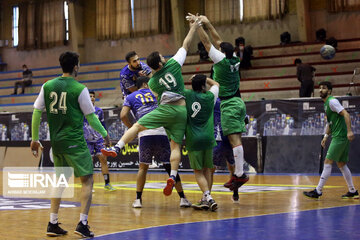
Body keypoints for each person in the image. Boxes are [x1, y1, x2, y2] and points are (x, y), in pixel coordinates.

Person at [101, 20, 199, 196]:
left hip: (164, 110)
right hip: (181, 110)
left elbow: (151, 96)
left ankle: (117, 148)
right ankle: (173, 175)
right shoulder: (175, 64)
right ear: (161, 62)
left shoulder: (152, 81)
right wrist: (194, 26)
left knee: (137, 127)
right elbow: (186, 43)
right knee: (175, 147)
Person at [30, 52, 110, 238]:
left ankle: (52, 222)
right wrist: (105, 134)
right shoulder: (79, 89)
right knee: (87, 180)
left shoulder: (47, 85)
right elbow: (91, 118)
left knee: (60, 182)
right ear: (76, 67)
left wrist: (35, 139)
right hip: (74, 142)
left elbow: (36, 112)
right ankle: (82, 223)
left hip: (56, 143)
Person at [187, 13, 249, 190]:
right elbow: (219, 40)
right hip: (239, 101)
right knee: (234, 139)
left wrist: (198, 26)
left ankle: (239, 174)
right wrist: (209, 23)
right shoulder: (235, 58)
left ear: (222, 53)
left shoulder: (220, 60)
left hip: (229, 103)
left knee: (234, 139)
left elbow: (208, 43)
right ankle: (237, 173)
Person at [120, 76, 191, 208]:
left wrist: (132, 129)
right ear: (146, 84)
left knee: (143, 167)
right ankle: (183, 199)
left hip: (145, 133)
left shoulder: (130, 97)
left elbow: (123, 115)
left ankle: (138, 200)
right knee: (170, 167)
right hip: (161, 132)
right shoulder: (156, 92)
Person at [303, 81, 358, 199]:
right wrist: (325, 136)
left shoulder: (332, 101)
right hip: (338, 136)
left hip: (340, 137)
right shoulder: (326, 104)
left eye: (323, 88)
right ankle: (352, 190)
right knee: (342, 164)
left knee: (327, 162)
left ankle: (318, 191)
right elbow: (330, 123)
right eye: (320, 88)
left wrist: (349, 131)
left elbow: (346, 114)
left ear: (329, 91)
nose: (320, 90)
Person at [184, 74, 219, 211]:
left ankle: (208, 197)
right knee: (207, 170)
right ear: (204, 85)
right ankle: (205, 199)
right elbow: (216, 85)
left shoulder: (187, 94)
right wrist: (206, 79)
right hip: (209, 137)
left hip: (194, 138)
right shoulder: (211, 97)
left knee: (198, 171)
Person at [83, 91, 116, 191]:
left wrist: (106, 136)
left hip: (98, 140)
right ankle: (90, 185)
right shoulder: (82, 111)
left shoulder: (99, 111)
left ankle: (107, 183)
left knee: (103, 159)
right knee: (89, 162)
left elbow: (103, 125)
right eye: (90, 96)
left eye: (93, 96)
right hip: (87, 140)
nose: (92, 98)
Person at [212, 98, 239, 202]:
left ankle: (207, 195)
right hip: (229, 135)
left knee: (211, 169)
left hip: (218, 137)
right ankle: (235, 192)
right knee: (232, 165)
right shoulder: (232, 100)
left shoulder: (213, 99)